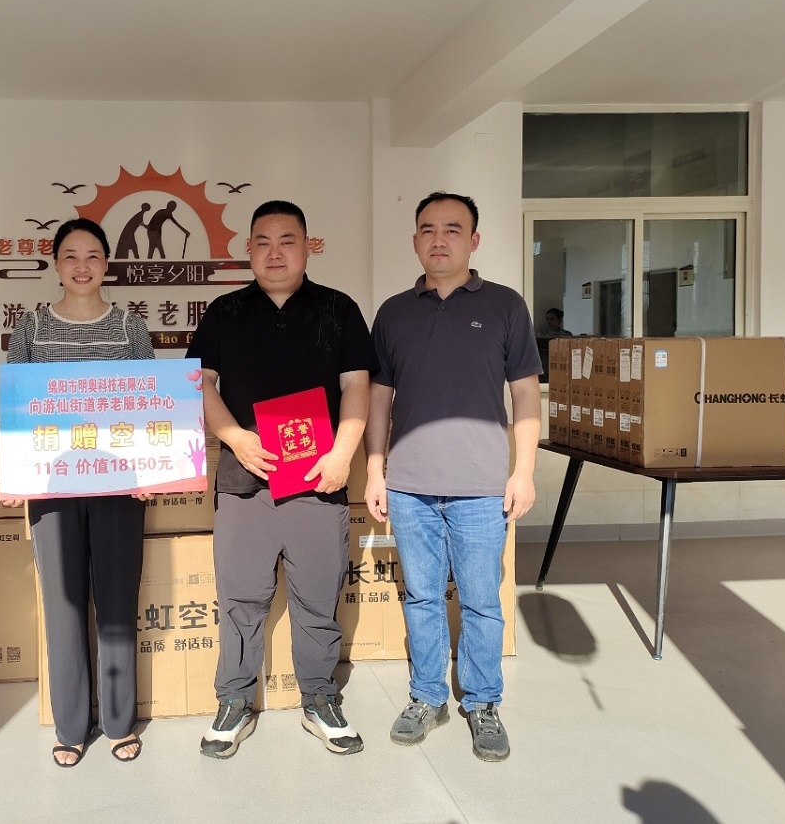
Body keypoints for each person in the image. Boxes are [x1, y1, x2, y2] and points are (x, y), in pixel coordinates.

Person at [186, 199, 377, 759]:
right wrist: (235, 437)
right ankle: (234, 700)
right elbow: (201, 383)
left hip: (319, 479)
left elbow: (357, 386)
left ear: (308, 246)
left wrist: (343, 454)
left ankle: (319, 698)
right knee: (240, 598)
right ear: (247, 249)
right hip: (245, 479)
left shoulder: (338, 309)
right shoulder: (224, 312)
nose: (275, 252)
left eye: (287, 240)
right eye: (263, 242)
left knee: (317, 597)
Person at [363, 191, 541, 763]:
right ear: (415, 240)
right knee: (421, 597)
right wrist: (374, 469)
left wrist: (524, 472)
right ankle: (428, 697)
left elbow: (526, 396)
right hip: (409, 485)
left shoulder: (505, 306)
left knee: (482, 600)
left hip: (482, 487)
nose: (439, 239)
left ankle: (483, 702)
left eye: (452, 229)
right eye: (428, 229)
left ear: (474, 240)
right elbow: (379, 397)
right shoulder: (393, 312)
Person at [3, 218, 154, 767]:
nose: (82, 266)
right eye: (71, 255)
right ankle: (70, 725)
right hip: (52, 485)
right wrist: (12, 473)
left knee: (116, 599)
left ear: (106, 263)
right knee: (63, 603)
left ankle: (118, 721)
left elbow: (147, 403)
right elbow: (18, 405)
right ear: (56, 264)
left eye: (93, 255)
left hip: (118, 483)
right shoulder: (32, 327)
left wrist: (149, 471)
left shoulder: (131, 327)